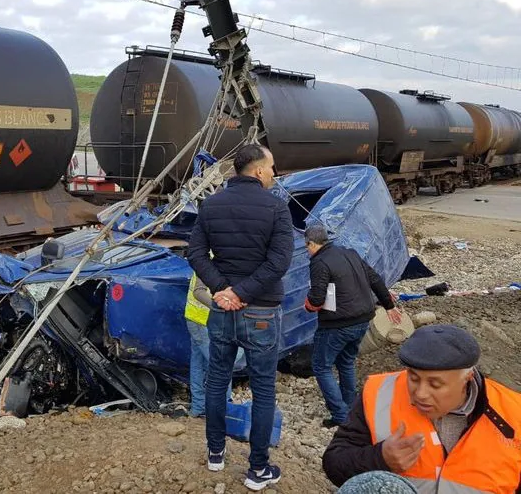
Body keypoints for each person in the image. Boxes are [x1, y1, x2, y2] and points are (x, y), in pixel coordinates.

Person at [187, 143, 293, 491]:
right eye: (272, 168)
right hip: (260, 311)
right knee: (263, 390)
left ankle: (215, 453)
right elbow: (278, 263)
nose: (274, 174)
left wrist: (223, 290)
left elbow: (195, 253)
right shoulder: (277, 208)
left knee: (217, 381)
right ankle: (257, 470)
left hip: (222, 309)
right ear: (259, 170)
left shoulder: (211, 205)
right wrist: (242, 293)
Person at [322, 324, 521, 493]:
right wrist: (380, 458)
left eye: (435, 384)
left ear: (467, 378)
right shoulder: (379, 394)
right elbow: (334, 463)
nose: (421, 393)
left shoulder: (513, 413)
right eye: (413, 378)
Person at [303, 225, 403, 428]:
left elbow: (316, 298)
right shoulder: (350, 253)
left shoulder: (319, 262)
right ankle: (350, 408)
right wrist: (389, 305)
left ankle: (340, 416)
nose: (307, 251)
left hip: (337, 324)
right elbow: (374, 278)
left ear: (311, 244)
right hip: (362, 320)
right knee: (346, 362)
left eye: (307, 247)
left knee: (321, 367)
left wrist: (308, 305)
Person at [183, 272, 245, 418]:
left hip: (196, 318)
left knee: (198, 364)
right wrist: (220, 307)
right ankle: (224, 408)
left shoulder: (209, 257)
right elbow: (199, 292)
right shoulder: (211, 259)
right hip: (202, 320)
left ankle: (199, 407)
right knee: (221, 363)